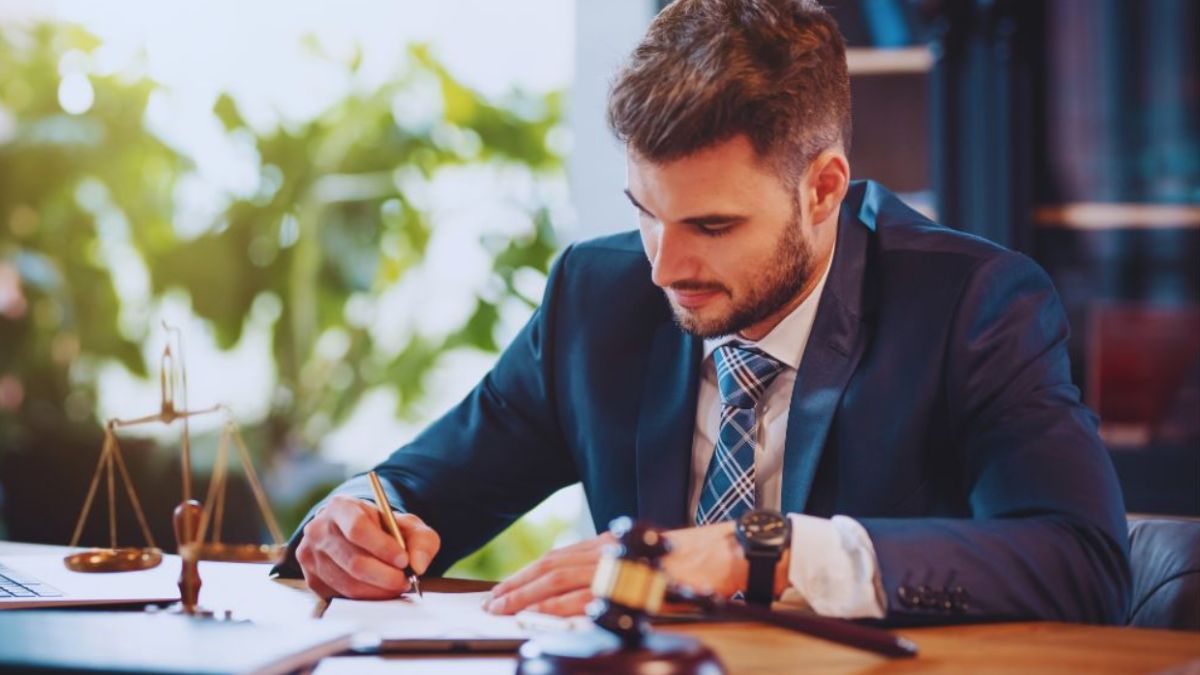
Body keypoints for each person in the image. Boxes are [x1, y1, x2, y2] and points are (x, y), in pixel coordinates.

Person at [272, 0, 1130, 624]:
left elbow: (1081, 563)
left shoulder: (971, 306)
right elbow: (421, 489)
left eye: (713, 224)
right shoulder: (595, 298)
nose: (665, 265)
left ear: (824, 187)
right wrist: (352, 520)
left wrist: (761, 550)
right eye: (646, 212)